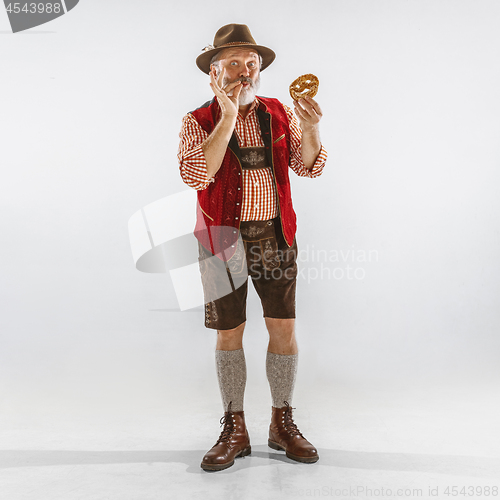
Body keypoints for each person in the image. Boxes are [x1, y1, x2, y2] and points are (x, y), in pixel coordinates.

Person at [177, 23, 327, 472]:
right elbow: (197, 173)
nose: (245, 71)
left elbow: (309, 167)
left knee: (283, 328)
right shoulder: (196, 120)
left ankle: (282, 421)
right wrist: (226, 117)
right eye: (234, 63)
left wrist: (313, 128)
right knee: (230, 333)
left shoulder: (281, 113)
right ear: (214, 72)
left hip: (275, 237)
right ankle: (234, 425)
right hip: (221, 240)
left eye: (252, 63)